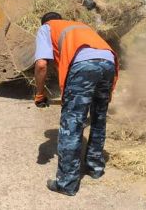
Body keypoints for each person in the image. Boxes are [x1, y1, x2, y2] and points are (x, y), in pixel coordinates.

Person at [33, 12, 118, 196]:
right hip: (109, 62)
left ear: (46, 21)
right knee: (98, 118)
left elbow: (41, 65)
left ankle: (67, 183)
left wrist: (39, 94)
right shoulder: (79, 26)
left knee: (71, 124)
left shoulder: (46, 28)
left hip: (84, 66)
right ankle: (95, 167)